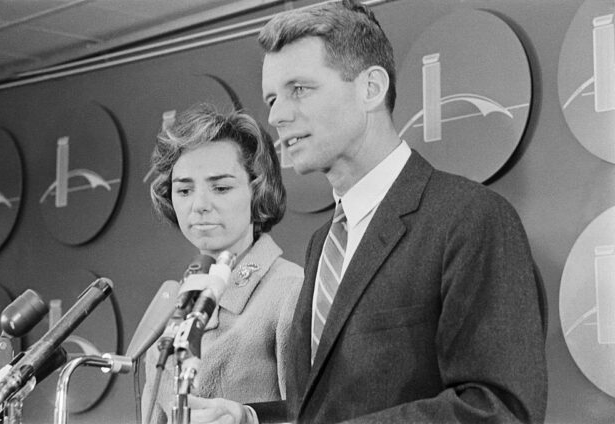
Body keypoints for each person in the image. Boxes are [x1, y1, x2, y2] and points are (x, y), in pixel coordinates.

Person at [186, 1, 548, 423]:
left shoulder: (471, 219)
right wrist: (248, 417)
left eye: (299, 89)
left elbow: (499, 409)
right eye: (271, 98)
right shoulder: (323, 243)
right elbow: (330, 405)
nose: (276, 115)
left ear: (371, 88)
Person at [142, 104, 304, 423]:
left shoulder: (291, 290)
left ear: (258, 189)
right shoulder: (175, 301)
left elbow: (314, 413)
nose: (200, 205)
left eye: (220, 187)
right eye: (185, 189)